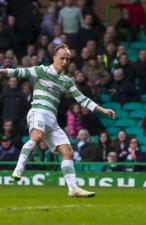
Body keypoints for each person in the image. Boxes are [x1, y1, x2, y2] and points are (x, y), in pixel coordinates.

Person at [0, 44, 116, 197]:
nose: (65, 62)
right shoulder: (41, 70)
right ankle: (19, 168)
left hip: (52, 120)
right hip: (38, 111)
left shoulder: (66, 81)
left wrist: (103, 110)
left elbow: (83, 100)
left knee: (68, 152)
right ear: (54, 57)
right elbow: (17, 72)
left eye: (67, 59)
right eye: (62, 58)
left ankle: (73, 189)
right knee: (36, 136)